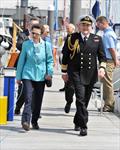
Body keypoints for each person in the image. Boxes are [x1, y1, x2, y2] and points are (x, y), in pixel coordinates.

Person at [61, 15, 106, 136]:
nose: (85, 27)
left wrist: (102, 68)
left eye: (88, 25)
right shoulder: (72, 38)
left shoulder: (97, 39)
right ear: (79, 26)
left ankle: (77, 120)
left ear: (91, 27)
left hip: (90, 74)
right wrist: (64, 72)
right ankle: (83, 126)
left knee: (85, 100)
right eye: (83, 25)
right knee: (80, 98)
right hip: (75, 72)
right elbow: (65, 55)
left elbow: (102, 57)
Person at [16, 24, 53, 131]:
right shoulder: (26, 44)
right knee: (28, 97)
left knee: (38, 100)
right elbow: (21, 61)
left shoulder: (46, 45)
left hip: (41, 76)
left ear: (41, 34)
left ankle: (34, 120)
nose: (34, 35)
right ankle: (25, 121)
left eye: (37, 34)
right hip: (27, 74)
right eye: (33, 33)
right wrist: (18, 77)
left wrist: (49, 73)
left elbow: (50, 61)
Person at [14, 17, 40, 115]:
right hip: (24, 65)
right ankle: (18, 106)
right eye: (33, 26)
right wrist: (28, 40)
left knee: (34, 90)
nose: (35, 28)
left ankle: (32, 110)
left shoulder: (40, 36)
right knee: (24, 90)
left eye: (37, 26)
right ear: (29, 25)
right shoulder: (23, 34)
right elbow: (18, 45)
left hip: (36, 67)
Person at [96, 16, 119, 112]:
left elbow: (111, 49)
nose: (97, 26)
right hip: (109, 60)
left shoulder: (107, 35)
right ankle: (108, 103)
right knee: (105, 82)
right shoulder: (109, 33)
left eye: (98, 24)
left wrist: (115, 60)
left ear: (102, 23)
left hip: (108, 60)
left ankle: (109, 105)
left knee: (107, 83)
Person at [62, 23, 76, 113]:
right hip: (71, 66)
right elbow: (65, 52)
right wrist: (64, 71)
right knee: (69, 88)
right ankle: (69, 102)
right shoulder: (69, 38)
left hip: (81, 69)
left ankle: (80, 109)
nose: (67, 29)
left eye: (68, 28)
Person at [59, 23, 76, 92]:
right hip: (66, 56)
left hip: (70, 58)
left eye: (68, 28)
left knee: (69, 73)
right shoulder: (68, 36)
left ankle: (69, 86)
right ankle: (65, 86)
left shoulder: (74, 37)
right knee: (65, 72)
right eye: (67, 28)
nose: (67, 29)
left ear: (73, 29)